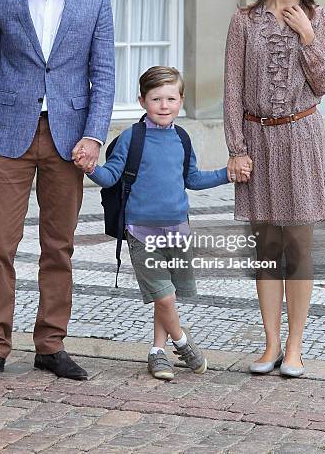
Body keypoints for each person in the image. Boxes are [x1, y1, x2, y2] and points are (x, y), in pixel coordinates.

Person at [0, 0, 115, 382]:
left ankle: (50, 345)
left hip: (68, 140)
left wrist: (94, 135)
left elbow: (104, 75)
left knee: (59, 246)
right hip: (8, 135)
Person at [224, 0, 325, 377]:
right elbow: (232, 88)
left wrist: (308, 37)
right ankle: (270, 344)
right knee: (266, 247)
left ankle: (295, 348)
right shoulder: (244, 21)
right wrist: (237, 148)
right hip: (258, 140)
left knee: (297, 247)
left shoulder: (320, 17)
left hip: (301, 137)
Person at [79, 66, 236, 380]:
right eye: (156, 99)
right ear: (142, 101)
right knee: (162, 295)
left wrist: (226, 174)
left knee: (168, 296)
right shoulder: (131, 139)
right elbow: (110, 176)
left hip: (177, 230)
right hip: (140, 231)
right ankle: (182, 341)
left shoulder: (181, 138)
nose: (164, 106)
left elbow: (191, 178)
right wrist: (90, 168)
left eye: (171, 98)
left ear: (180, 101)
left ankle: (157, 351)